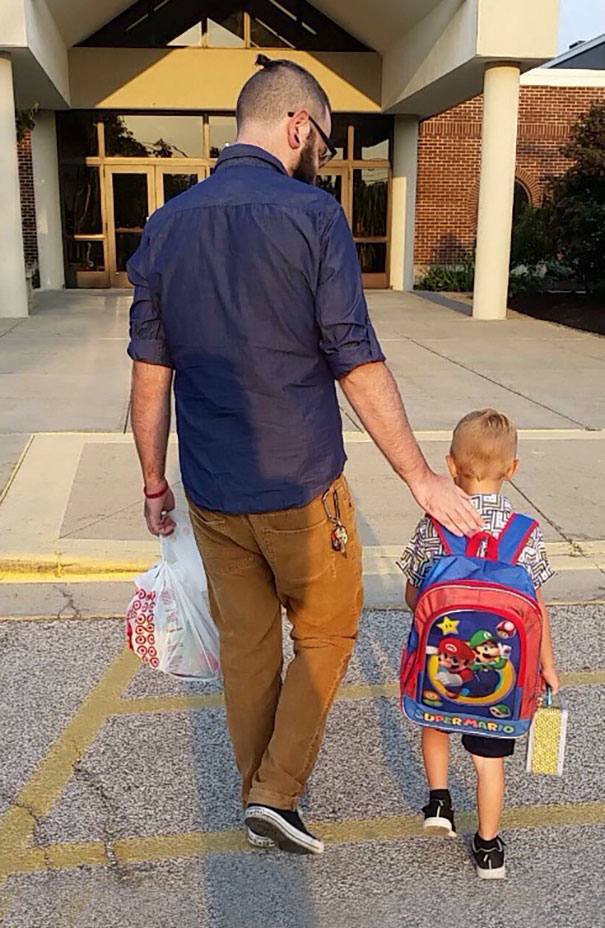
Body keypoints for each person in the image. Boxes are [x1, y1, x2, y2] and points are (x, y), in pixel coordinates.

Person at [127, 55, 482, 856]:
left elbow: (150, 376)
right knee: (325, 632)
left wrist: (153, 481)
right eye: (320, 136)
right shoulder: (312, 216)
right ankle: (277, 793)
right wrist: (420, 478)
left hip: (212, 490)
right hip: (300, 487)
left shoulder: (165, 225)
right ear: (296, 125)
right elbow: (354, 358)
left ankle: (261, 794)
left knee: (248, 651)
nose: (319, 150)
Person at [398, 408, 560, 878]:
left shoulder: (435, 524)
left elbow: (415, 595)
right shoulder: (526, 533)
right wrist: (547, 663)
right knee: (490, 762)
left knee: (435, 722)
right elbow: (537, 607)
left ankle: (439, 804)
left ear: (450, 465)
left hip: (441, 668)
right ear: (513, 470)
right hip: (500, 683)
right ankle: (489, 847)